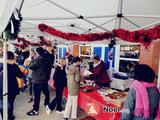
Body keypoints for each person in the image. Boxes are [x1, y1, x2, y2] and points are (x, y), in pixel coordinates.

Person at [27, 47, 51, 116]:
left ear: (37, 53)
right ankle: (46, 103)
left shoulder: (38, 59)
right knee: (46, 92)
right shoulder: (47, 58)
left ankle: (35, 110)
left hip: (38, 80)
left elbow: (30, 66)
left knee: (37, 96)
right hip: (45, 80)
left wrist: (33, 59)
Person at [0, 51, 23, 120]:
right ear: (12, 57)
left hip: (1, 87)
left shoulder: (1, 64)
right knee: (9, 103)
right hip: (11, 87)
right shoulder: (14, 66)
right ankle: (9, 117)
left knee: (1, 102)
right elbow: (20, 75)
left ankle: (4, 116)